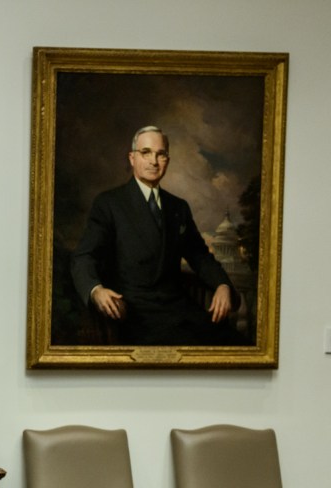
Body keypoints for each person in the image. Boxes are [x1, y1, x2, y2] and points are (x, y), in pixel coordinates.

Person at [70, 125, 244, 346]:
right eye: (146, 153)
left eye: (160, 154)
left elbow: (199, 255)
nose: (154, 161)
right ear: (132, 158)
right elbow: (83, 257)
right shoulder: (109, 204)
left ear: (167, 161)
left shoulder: (178, 207)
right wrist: (96, 291)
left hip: (180, 307)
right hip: (134, 312)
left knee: (236, 346)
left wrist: (222, 285)